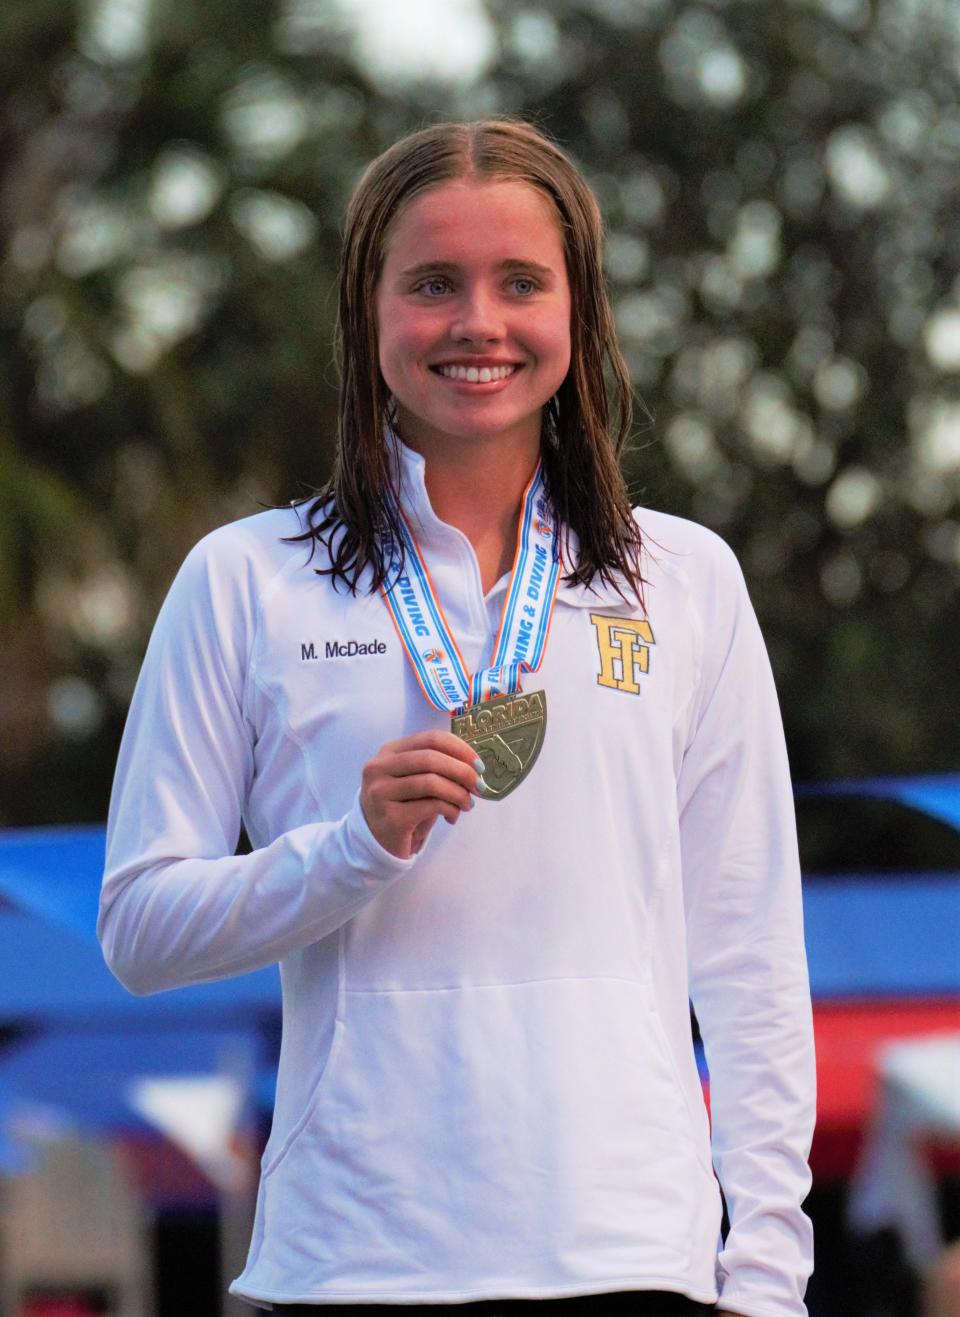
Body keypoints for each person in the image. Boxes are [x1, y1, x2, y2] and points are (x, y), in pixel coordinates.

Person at [98, 119, 816, 1317]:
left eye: (521, 283)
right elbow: (137, 927)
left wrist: (770, 1278)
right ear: (366, 313)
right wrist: (350, 849)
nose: (477, 322)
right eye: (432, 284)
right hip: (352, 1259)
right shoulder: (246, 580)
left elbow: (751, 961)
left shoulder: (683, 581)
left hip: (633, 1257)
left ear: (578, 315)